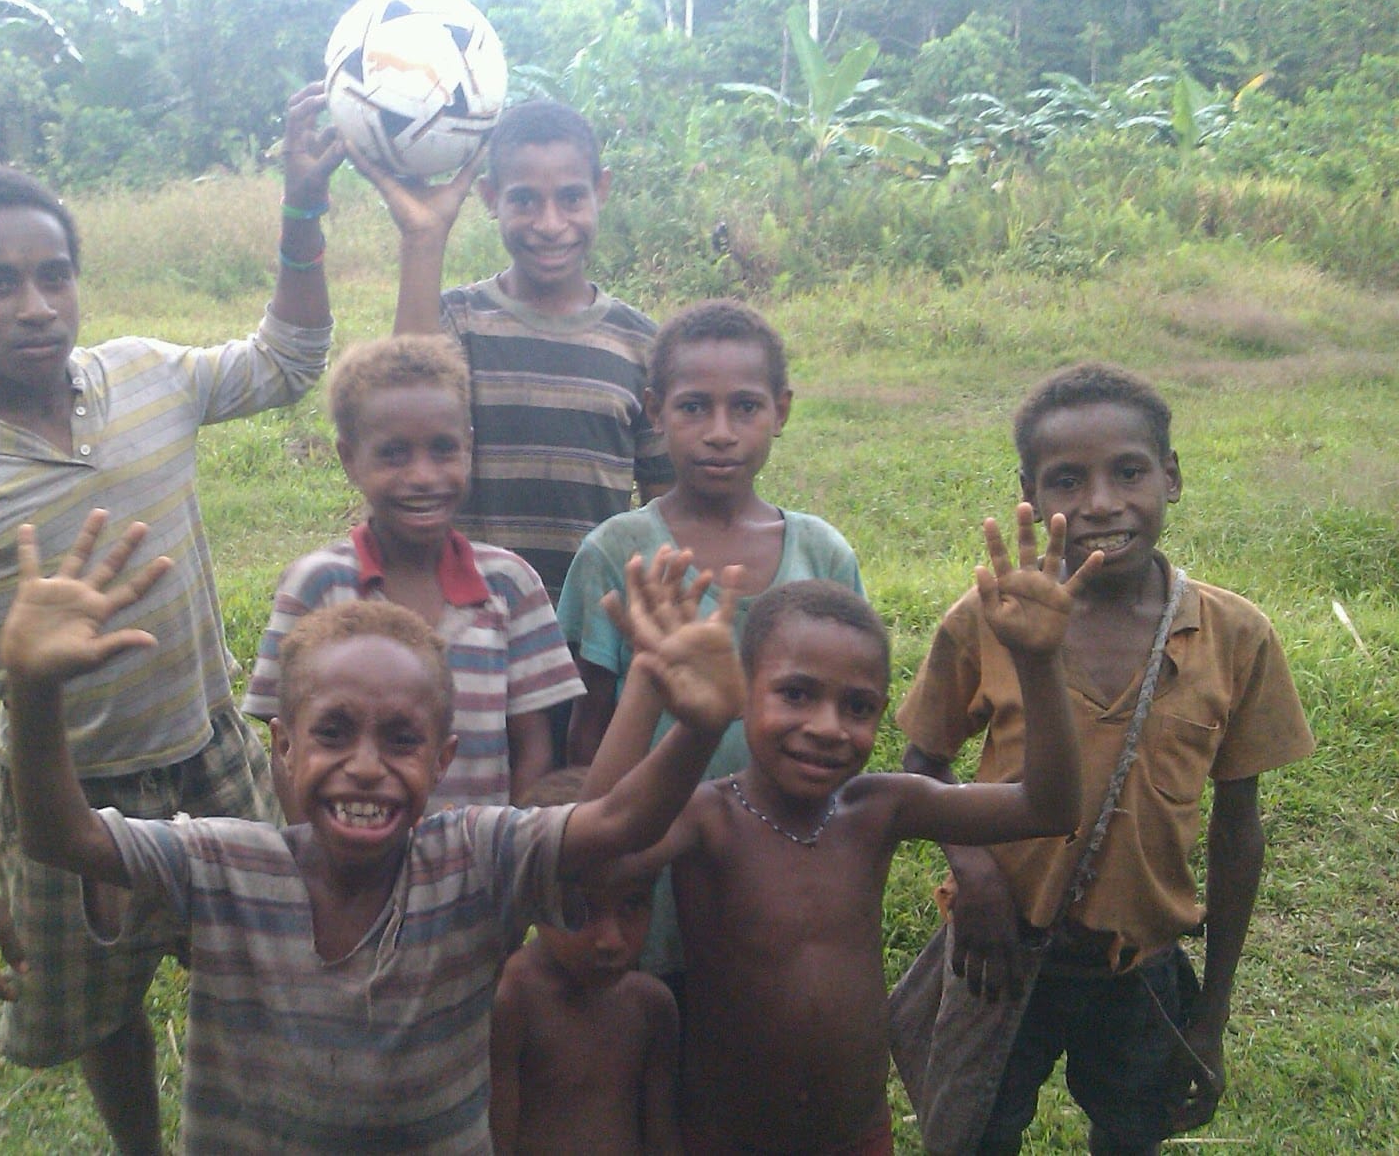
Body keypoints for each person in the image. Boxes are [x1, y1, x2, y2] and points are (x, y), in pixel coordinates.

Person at [0, 85, 341, 1153]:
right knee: (103, 1011)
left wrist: (301, 210)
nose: (34, 304)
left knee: (267, 968)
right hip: (64, 790)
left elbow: (287, 360)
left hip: (213, 754)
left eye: (53, 274)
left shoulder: (148, 376)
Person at [0, 514, 743, 1153]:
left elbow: (617, 822)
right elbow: (65, 838)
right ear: (282, 745)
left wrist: (699, 725)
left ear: (443, 758)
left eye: (400, 739)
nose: (364, 765)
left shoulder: (474, 859)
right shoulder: (223, 861)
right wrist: (33, 689)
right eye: (333, 732)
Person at [583, 508, 1100, 1155]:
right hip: (724, 1137)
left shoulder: (880, 808)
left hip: (854, 1134)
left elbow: (1049, 806)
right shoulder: (707, 816)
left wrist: (1038, 663)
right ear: (741, 692)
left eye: (858, 706)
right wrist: (650, 685)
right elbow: (593, 850)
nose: (829, 726)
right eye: (797, 694)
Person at [899, 363, 1315, 1155]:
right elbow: (924, 760)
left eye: (1128, 471)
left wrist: (1214, 1009)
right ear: (1029, 491)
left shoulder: (1237, 635)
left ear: (1173, 476)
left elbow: (1238, 832)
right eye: (1066, 479)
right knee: (975, 1133)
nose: (1099, 502)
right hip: (999, 955)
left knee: (1132, 1134)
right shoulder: (989, 617)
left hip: (1141, 970)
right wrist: (977, 872)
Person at [557, 298, 862, 979]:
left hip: (777, 846)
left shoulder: (822, 553)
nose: (719, 432)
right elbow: (587, 729)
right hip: (646, 856)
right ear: (654, 410)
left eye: (745, 408)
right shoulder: (619, 552)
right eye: (694, 407)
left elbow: (848, 714)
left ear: (781, 410)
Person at [242, 334, 584, 810]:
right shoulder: (315, 585)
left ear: (469, 448)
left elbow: (534, 745)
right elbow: (287, 750)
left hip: (478, 869)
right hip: (348, 861)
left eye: (443, 450)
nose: (423, 475)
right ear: (348, 459)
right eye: (394, 453)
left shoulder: (510, 586)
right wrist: (315, 859)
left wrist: (510, 856)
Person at [358, 98, 674, 605]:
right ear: (490, 197)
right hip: (467, 619)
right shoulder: (457, 322)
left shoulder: (643, 346)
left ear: (602, 190)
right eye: (524, 200)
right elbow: (400, 409)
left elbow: (666, 509)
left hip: (589, 628)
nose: (550, 224)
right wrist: (424, 237)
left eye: (571, 198)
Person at [491, 772, 682, 1155]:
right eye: (582, 907)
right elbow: (498, 1137)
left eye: (632, 904)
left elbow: (662, 1136)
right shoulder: (512, 999)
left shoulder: (652, 1006)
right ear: (532, 893)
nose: (611, 940)